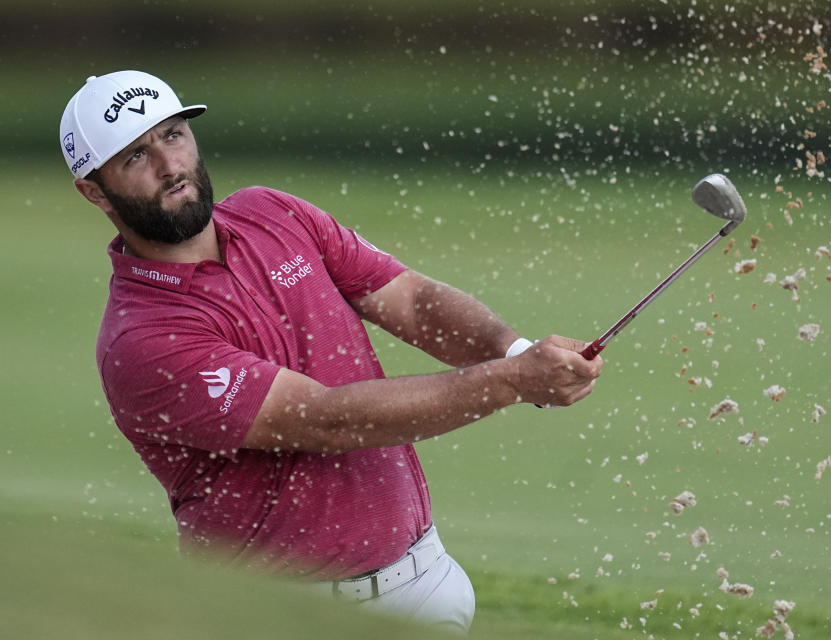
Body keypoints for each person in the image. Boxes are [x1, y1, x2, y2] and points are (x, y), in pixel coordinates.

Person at [60, 70, 603, 634]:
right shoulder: (143, 337)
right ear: (94, 189)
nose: (170, 166)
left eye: (173, 135)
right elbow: (327, 421)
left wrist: (514, 350)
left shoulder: (272, 213)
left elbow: (411, 300)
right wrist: (513, 380)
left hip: (426, 580)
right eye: (135, 157)